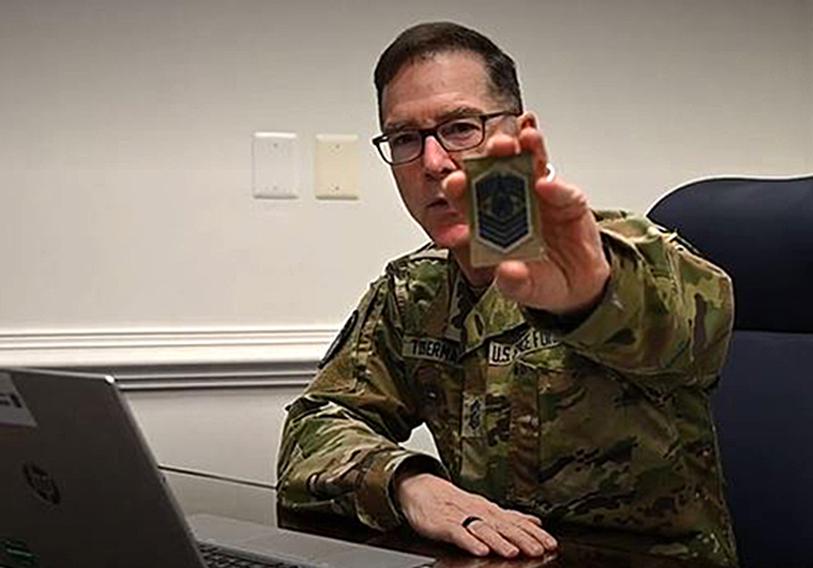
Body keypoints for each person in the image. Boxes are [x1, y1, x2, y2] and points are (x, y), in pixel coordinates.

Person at [277, 21, 737, 567]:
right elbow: (315, 424)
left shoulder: (618, 255)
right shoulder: (411, 292)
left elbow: (693, 330)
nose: (432, 163)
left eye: (460, 127)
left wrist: (590, 299)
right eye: (404, 138)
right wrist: (409, 484)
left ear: (519, 134)